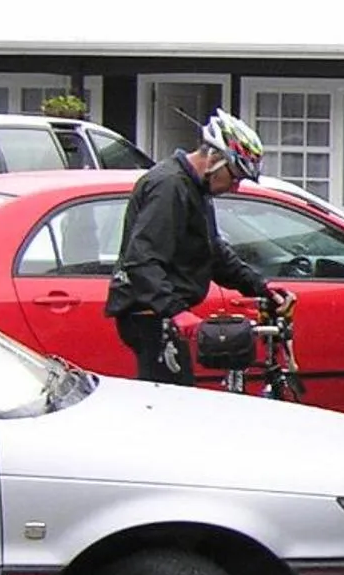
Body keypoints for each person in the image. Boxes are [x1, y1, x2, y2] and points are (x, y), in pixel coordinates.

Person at [103, 109, 278, 385]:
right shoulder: (169, 186)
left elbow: (212, 251)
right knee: (168, 403)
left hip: (162, 311)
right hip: (150, 315)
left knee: (176, 396)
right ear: (214, 159)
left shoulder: (195, 188)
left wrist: (260, 286)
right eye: (234, 176)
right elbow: (141, 259)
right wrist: (174, 310)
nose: (234, 187)